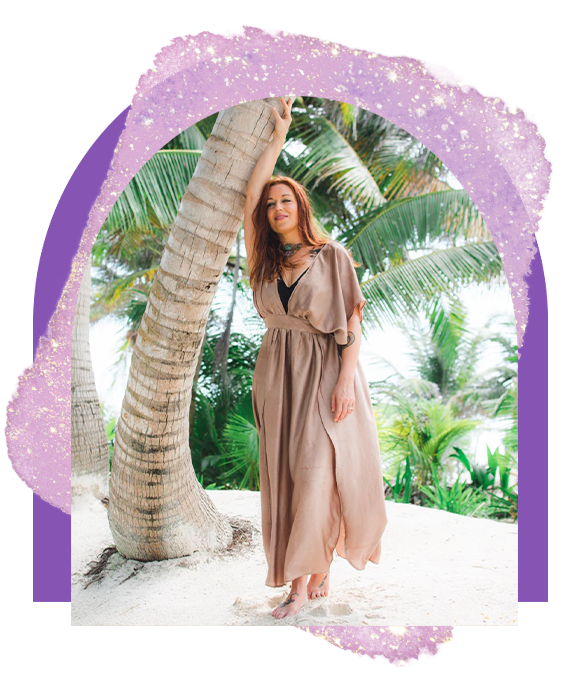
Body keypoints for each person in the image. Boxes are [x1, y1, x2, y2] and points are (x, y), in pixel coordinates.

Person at [244, 97, 388, 620]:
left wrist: (345, 382)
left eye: (286, 200)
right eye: (271, 204)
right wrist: (277, 137)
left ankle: (300, 586)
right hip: (276, 376)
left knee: (316, 472)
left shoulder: (332, 256)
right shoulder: (263, 260)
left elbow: (352, 324)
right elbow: (248, 195)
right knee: (288, 476)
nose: (277, 208)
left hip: (326, 373)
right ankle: (315, 564)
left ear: (301, 207)